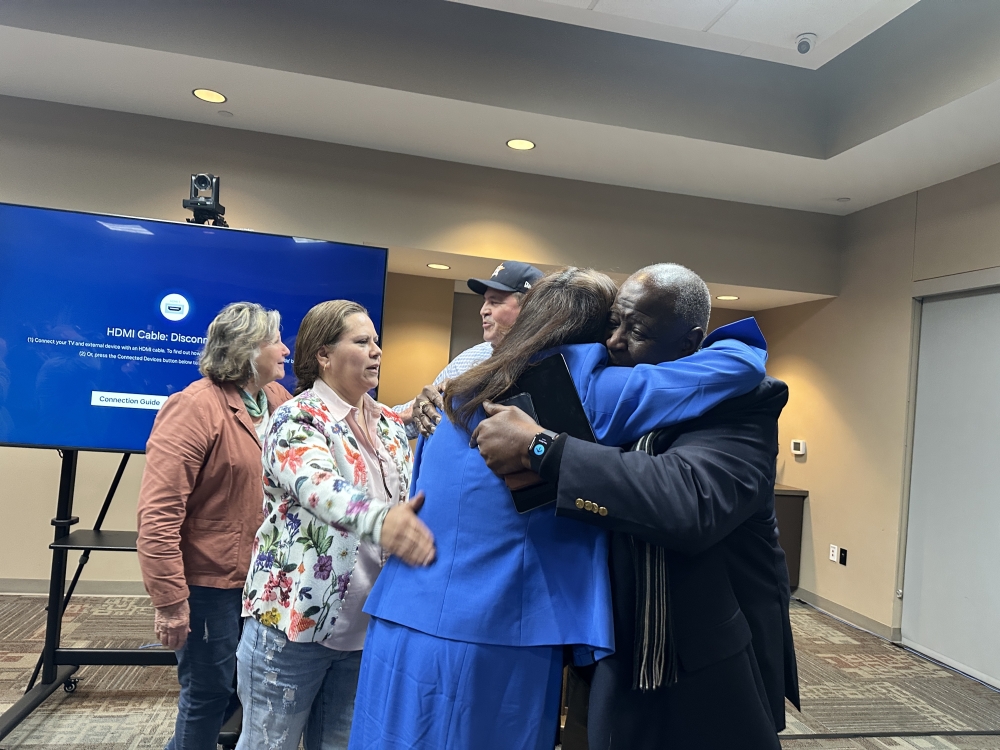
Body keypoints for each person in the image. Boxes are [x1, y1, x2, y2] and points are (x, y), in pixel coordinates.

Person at [349, 267, 771, 750]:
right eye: (612, 326)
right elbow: (740, 366)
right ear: (593, 331)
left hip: (400, 616)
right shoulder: (589, 390)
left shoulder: (458, 389)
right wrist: (738, 342)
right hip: (496, 632)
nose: (616, 341)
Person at [472, 264, 799, 750]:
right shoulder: (618, 390)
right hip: (608, 650)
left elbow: (688, 500)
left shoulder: (742, 404)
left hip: (696, 664)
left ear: (689, 343)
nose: (615, 342)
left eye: (637, 331)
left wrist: (544, 449)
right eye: (613, 324)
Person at [236, 300, 436, 750]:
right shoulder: (296, 418)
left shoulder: (386, 423)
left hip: (365, 630)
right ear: (324, 355)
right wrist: (381, 521)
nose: (377, 351)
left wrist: (430, 402)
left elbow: (405, 420)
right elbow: (318, 487)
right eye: (362, 342)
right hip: (291, 629)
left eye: (377, 342)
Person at [136, 302, 293, 750]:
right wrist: (169, 603)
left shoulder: (277, 401)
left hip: (263, 580)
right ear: (246, 351)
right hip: (210, 583)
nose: (285, 350)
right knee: (208, 694)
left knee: (245, 690)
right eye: (274, 342)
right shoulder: (193, 408)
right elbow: (158, 515)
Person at [393, 260, 543, 438]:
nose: (483, 310)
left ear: (529, 309)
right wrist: (414, 412)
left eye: (494, 302)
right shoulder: (471, 359)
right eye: (485, 301)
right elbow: (403, 428)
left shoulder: (555, 362)